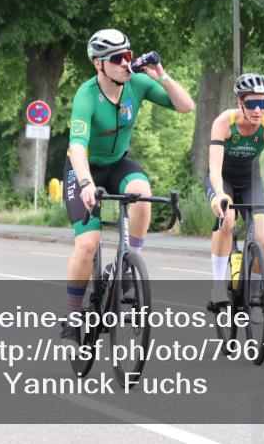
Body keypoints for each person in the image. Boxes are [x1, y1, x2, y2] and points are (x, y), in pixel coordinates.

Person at [60, 29, 194, 343]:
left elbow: (186, 106)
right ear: (98, 65)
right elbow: (77, 146)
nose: (125, 63)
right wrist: (85, 183)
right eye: (117, 59)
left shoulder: (137, 83)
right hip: (85, 168)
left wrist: (162, 76)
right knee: (87, 244)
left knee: (143, 196)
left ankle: (127, 263)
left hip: (119, 163)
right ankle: (71, 313)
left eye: (129, 56)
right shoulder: (87, 95)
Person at [205, 73, 264, 310]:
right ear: (240, 102)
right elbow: (214, 167)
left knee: (263, 235)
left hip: (250, 182)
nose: (258, 110)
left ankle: (255, 293)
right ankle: (218, 286)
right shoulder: (223, 123)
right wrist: (219, 193)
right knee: (227, 220)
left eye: (263, 103)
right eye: (251, 104)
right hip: (222, 180)